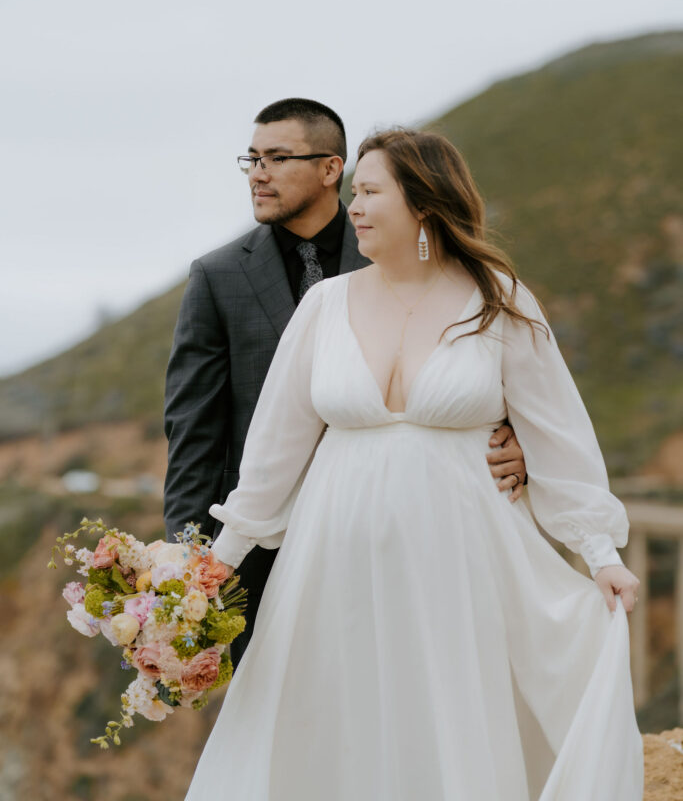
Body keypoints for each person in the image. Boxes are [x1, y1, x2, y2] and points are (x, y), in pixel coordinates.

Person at [185, 127, 643, 801]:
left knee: (447, 717)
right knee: (332, 723)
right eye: (352, 194)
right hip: (330, 562)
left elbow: (558, 438)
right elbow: (272, 458)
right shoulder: (323, 306)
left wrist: (599, 553)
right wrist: (212, 568)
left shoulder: (499, 300)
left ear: (423, 203)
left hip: (459, 561)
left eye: (369, 192)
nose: (354, 209)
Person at [164, 100, 528, 666]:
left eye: (277, 158)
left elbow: (473, 365)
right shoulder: (217, 276)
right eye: (252, 159)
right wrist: (190, 557)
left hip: (400, 526)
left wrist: (512, 432)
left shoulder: (403, 257)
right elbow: (193, 428)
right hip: (261, 535)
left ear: (332, 169)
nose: (257, 173)